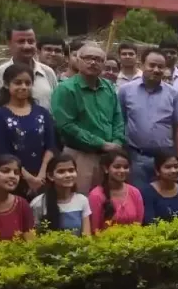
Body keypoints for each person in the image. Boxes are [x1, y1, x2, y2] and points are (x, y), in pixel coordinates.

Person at [51, 42, 126, 195]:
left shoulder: (108, 87)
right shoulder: (66, 89)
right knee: (80, 199)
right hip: (80, 156)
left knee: (108, 199)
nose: (93, 62)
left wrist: (117, 142)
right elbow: (66, 125)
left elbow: (118, 118)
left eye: (98, 59)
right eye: (88, 58)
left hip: (109, 156)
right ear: (78, 60)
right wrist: (101, 144)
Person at [119, 47, 178, 191]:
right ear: (142, 65)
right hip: (137, 157)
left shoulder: (173, 94)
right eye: (152, 65)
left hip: (165, 159)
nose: (156, 70)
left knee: (165, 195)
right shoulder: (126, 91)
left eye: (160, 66)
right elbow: (120, 121)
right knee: (139, 195)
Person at [0, 63, 58, 197]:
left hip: (43, 178)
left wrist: (41, 175)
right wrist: (28, 178)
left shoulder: (42, 113)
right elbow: (2, 152)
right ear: (7, 85)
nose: (23, 87)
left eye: (28, 83)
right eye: (18, 83)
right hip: (13, 179)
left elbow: (51, 146)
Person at [0, 24, 59, 111]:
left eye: (31, 41)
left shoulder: (48, 72)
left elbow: (56, 107)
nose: (27, 46)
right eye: (21, 41)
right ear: (9, 44)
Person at [30, 154, 92, 236]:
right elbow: (33, 237)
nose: (68, 175)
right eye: (61, 171)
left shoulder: (82, 200)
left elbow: (87, 237)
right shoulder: (38, 203)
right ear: (50, 176)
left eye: (71, 170)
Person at [88, 150, 144, 232]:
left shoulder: (135, 192)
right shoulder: (96, 195)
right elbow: (95, 229)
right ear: (106, 169)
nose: (122, 170)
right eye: (117, 167)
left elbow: (139, 225)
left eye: (126, 167)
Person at [142, 150, 178, 223]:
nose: (173, 171)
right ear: (157, 171)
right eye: (168, 167)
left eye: (176, 166)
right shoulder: (147, 193)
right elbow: (149, 222)